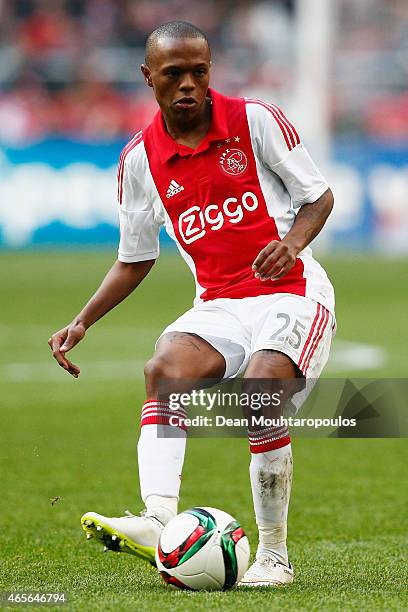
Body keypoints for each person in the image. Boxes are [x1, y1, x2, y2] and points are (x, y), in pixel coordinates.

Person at [48, 21, 335, 587]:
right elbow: (135, 258)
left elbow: (317, 196)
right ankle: (158, 518)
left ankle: (274, 554)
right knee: (164, 370)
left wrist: (292, 244)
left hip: (293, 291)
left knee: (262, 390)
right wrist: (82, 321)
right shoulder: (139, 161)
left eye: (198, 72)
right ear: (147, 76)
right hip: (220, 302)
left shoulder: (255, 120)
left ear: (210, 72)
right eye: (173, 73)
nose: (187, 85)